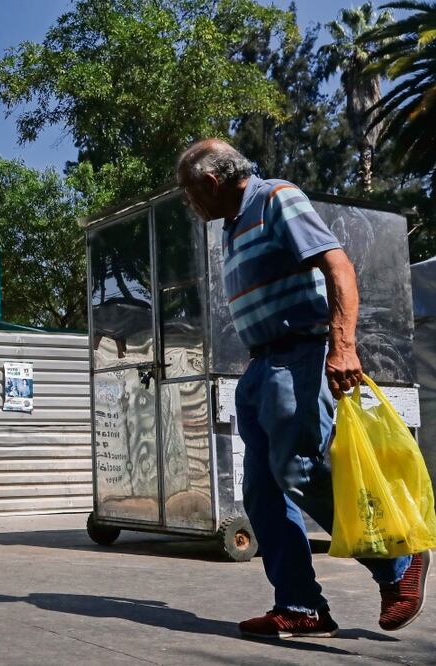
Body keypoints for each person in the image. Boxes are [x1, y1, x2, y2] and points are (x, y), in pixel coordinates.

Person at [175, 138, 429, 639]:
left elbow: (339, 267)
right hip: (263, 365)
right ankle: (301, 606)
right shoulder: (232, 225)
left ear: (212, 181)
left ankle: (397, 561)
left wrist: (342, 345)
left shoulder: (276, 199)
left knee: (301, 471)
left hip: (299, 355)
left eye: (188, 191)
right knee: (262, 491)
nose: (190, 203)